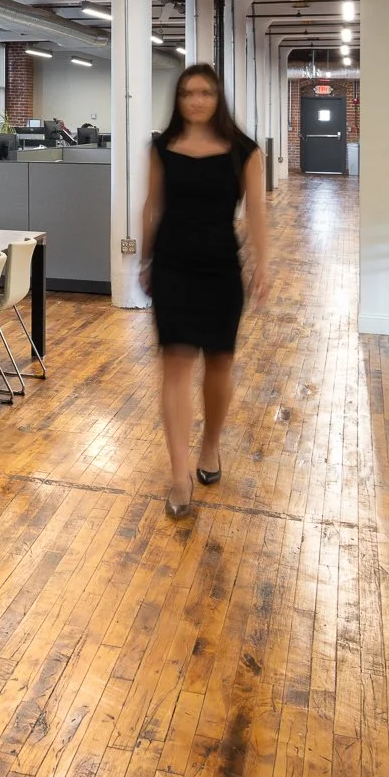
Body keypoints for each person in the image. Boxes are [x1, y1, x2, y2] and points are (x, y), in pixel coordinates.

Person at [139, 64, 269, 518]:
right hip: (173, 266)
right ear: (177, 99)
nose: (196, 100)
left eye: (205, 93)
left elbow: (256, 212)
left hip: (220, 269)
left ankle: (210, 444)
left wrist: (263, 263)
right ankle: (178, 475)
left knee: (219, 362)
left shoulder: (243, 151)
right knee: (174, 364)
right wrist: (145, 258)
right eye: (188, 93)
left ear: (218, 98)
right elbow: (152, 205)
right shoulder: (161, 148)